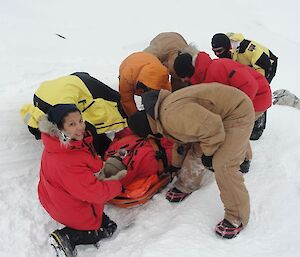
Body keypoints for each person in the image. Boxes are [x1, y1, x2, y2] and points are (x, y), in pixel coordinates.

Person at [127, 83, 255, 239]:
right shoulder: (161, 112)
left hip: (237, 112)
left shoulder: (172, 117)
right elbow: (183, 138)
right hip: (220, 114)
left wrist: (209, 155)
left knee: (223, 164)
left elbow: (213, 128)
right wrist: (175, 165)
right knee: (197, 150)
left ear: (148, 132)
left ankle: (237, 217)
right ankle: (187, 185)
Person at [38, 104, 126, 257]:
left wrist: (103, 166)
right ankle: (67, 236)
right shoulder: (67, 160)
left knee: (103, 219)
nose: (80, 127)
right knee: (106, 228)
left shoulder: (59, 144)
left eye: (80, 120)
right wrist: (116, 185)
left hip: (52, 198)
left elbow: (86, 159)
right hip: (68, 208)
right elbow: (95, 194)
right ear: (59, 128)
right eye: (72, 124)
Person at [173, 45, 272, 144]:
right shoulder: (203, 76)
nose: (182, 80)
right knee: (232, 132)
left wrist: (237, 110)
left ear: (188, 71)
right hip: (246, 100)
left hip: (259, 97)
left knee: (233, 134)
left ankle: (240, 156)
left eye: (183, 77)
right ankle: (243, 155)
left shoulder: (218, 68)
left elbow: (250, 85)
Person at [20, 72, 127, 156]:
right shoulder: (42, 114)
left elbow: (86, 127)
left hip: (76, 84)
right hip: (53, 88)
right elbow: (88, 128)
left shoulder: (61, 111)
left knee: (118, 100)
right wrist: (104, 148)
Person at [211, 32, 278, 139]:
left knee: (260, 94)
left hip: (266, 65)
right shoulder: (227, 50)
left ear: (227, 47)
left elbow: (264, 65)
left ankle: (258, 126)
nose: (217, 54)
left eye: (219, 51)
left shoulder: (247, 50)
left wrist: (256, 83)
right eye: (214, 51)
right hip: (249, 68)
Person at [119, 52, 171, 116]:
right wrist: (136, 117)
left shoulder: (162, 76)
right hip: (129, 64)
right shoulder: (126, 76)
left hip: (148, 60)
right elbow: (127, 101)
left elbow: (168, 98)